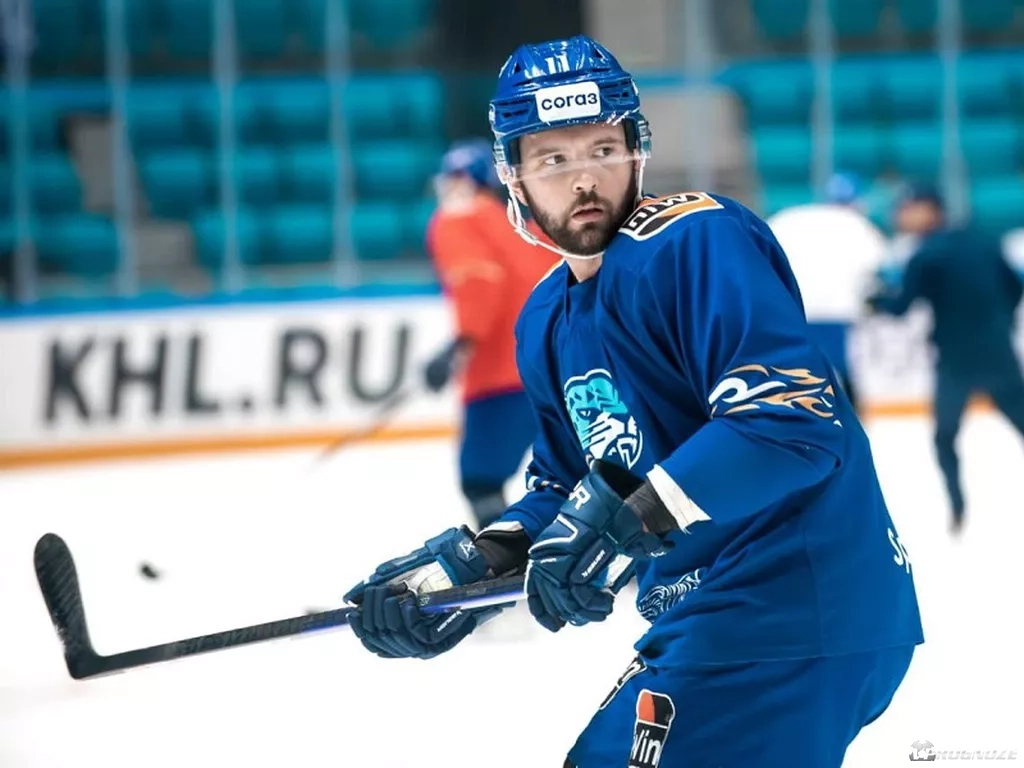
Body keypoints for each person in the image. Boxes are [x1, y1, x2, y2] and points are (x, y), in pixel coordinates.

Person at [345, 35, 923, 767]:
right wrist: (472, 567)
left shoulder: (696, 239)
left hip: (791, 607)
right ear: (513, 175)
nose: (584, 178)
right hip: (715, 623)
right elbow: (569, 486)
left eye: (602, 149)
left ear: (636, 151)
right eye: (553, 160)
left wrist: (633, 518)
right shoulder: (545, 318)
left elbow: (787, 423)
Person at [867, 181, 1024, 534]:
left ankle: (957, 509)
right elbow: (1015, 287)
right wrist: (999, 323)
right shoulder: (982, 241)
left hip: (955, 360)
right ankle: (957, 510)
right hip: (997, 352)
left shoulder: (927, 254)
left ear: (929, 209)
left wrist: (874, 299)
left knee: (945, 436)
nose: (901, 216)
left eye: (907, 208)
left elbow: (900, 307)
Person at [423, 137, 558, 528]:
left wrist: (463, 341)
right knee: (574, 474)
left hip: (499, 376)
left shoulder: (456, 218)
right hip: (552, 368)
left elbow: (478, 282)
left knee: (480, 482)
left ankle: (514, 558)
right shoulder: (519, 226)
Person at [766, 169, 889, 413]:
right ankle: (852, 421)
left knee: (795, 373)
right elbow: (880, 272)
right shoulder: (859, 225)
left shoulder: (790, 218)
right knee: (844, 372)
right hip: (839, 314)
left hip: (793, 312)